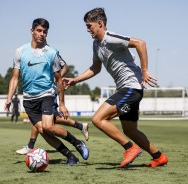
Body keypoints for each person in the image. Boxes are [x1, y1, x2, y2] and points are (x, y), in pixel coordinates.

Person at [63, 8, 168, 168]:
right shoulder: (96, 44)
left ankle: (130, 148)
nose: (87, 29)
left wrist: (145, 70)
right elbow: (95, 68)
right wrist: (75, 80)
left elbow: (140, 43)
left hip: (131, 88)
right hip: (126, 89)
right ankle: (158, 157)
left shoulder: (110, 37)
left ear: (100, 23)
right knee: (130, 130)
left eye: (89, 25)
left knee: (98, 119)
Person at [4, 18, 89, 165]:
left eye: (45, 32)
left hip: (46, 94)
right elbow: (14, 78)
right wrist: (9, 98)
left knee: (48, 126)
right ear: (32, 31)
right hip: (29, 99)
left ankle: (78, 143)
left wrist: (62, 104)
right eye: (39, 31)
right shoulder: (20, 52)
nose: (42, 34)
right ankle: (70, 157)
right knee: (43, 131)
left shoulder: (52, 52)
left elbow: (58, 80)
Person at [16, 64, 89, 155]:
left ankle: (30, 146)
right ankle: (81, 127)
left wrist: (56, 79)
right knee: (51, 119)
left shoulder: (51, 53)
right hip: (40, 93)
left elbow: (65, 67)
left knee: (45, 121)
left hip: (48, 93)